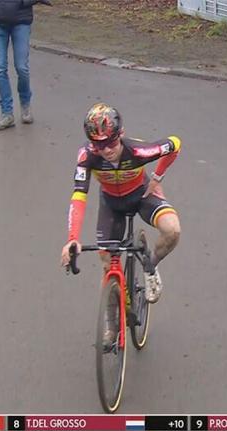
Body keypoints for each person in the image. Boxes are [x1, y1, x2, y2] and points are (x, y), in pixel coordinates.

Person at [60, 103, 182, 346]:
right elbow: (78, 197)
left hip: (141, 194)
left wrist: (157, 177)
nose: (105, 150)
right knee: (108, 265)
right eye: (98, 145)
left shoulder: (138, 151)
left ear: (121, 134)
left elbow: (174, 144)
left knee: (172, 230)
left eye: (110, 143)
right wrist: (72, 238)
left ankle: (150, 265)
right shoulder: (87, 156)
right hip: (111, 204)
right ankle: (111, 326)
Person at [0, 0, 52, 131]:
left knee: (22, 68)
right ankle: (7, 114)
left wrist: (21, 2)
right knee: (0, 68)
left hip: (21, 21)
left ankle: (25, 104)